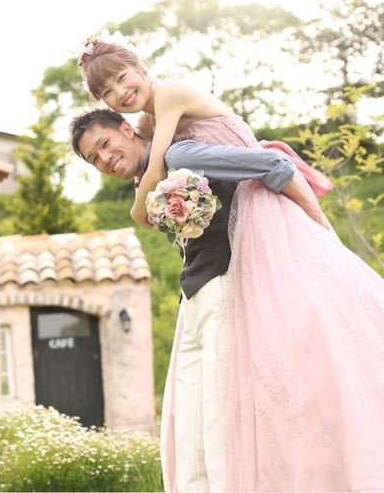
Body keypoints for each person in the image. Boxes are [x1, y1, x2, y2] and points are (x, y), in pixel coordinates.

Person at [69, 107, 384, 492]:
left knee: (221, 419)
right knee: (189, 425)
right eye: (93, 158)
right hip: (193, 301)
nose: (104, 158)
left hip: (222, 288)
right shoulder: (148, 182)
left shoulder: (179, 155)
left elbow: (272, 163)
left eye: (105, 144)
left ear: (125, 128)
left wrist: (320, 228)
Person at [77, 30, 333, 230]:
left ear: (139, 67)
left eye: (121, 77)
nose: (121, 92)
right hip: (241, 191)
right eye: (107, 92)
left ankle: (318, 218)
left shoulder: (168, 92)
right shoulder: (147, 122)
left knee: (174, 156)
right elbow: (143, 176)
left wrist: (136, 213)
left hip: (263, 172)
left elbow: (155, 171)